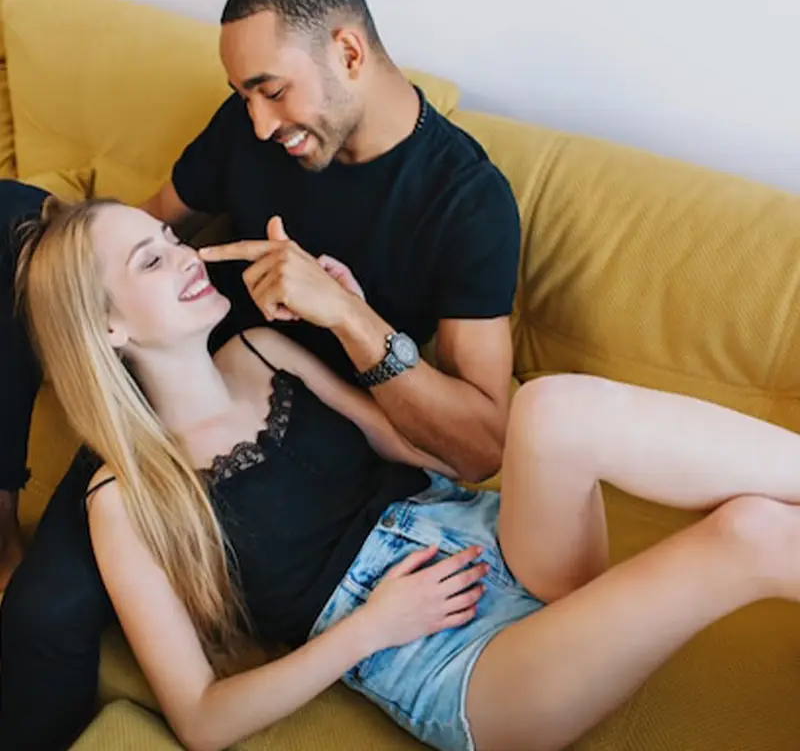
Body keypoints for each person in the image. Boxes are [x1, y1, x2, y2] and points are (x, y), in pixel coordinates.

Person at [16, 197, 800, 751]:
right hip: (451, 664)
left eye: (167, 235)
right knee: (752, 532)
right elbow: (200, 719)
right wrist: (374, 626)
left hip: (494, 542)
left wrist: (357, 320)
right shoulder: (122, 500)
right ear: (108, 326)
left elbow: (433, 453)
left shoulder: (263, 350)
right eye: (151, 259)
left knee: (551, 408)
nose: (186, 253)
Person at [0, 0, 521, 747]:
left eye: (271, 90)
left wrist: (351, 317)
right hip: (166, 380)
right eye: (246, 97)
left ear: (348, 53)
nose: (259, 125)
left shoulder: (464, 202)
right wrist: (109, 301)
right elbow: (139, 232)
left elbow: (482, 443)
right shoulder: (247, 130)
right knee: (38, 614)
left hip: (298, 407)